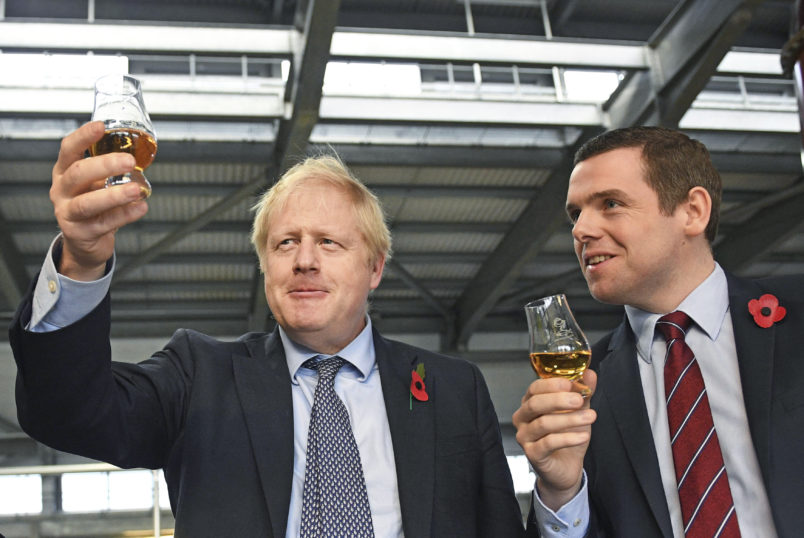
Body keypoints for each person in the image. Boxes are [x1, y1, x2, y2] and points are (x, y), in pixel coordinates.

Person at [9, 121, 528, 537]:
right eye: (284, 244)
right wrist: (81, 259)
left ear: (375, 268)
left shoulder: (453, 388)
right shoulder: (199, 376)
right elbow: (67, 414)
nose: (303, 260)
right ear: (265, 267)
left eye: (328, 242)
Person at [513, 126, 804, 537]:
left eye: (610, 203)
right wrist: (561, 490)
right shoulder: (583, 389)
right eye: (576, 214)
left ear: (692, 211)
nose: (581, 230)